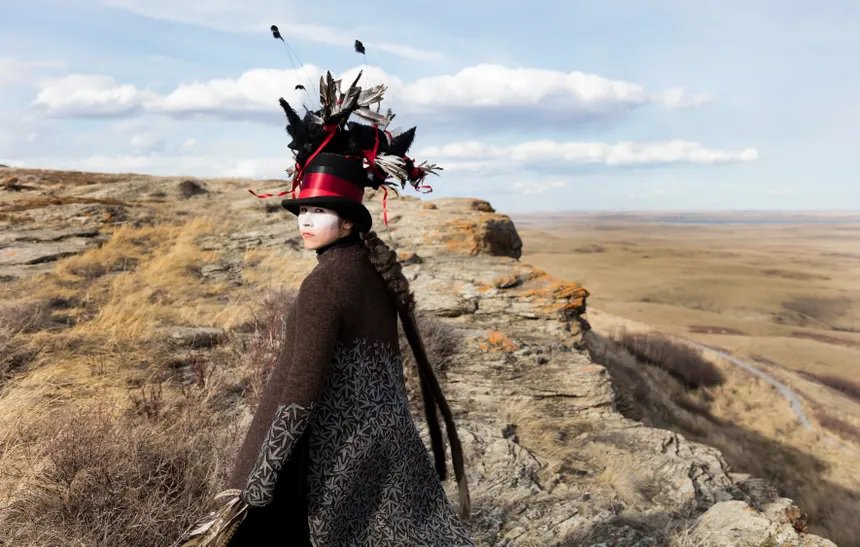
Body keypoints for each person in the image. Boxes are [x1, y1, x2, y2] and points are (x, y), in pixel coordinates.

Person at [176, 72, 473, 546]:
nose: (307, 221)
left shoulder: (327, 281)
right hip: (385, 441)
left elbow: (300, 384)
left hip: (334, 453)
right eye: (303, 210)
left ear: (350, 219)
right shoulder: (370, 269)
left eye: (320, 210)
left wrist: (260, 478)